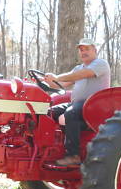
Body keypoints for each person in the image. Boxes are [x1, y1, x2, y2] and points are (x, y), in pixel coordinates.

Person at [44, 38, 110, 166]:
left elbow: (82, 74)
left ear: (95, 50)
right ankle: (49, 148)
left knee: (71, 113)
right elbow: (61, 84)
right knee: (48, 112)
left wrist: (57, 77)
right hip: (76, 104)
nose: (83, 52)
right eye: (81, 50)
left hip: (93, 105)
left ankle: (73, 155)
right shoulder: (78, 68)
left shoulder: (100, 64)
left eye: (87, 49)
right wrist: (47, 80)